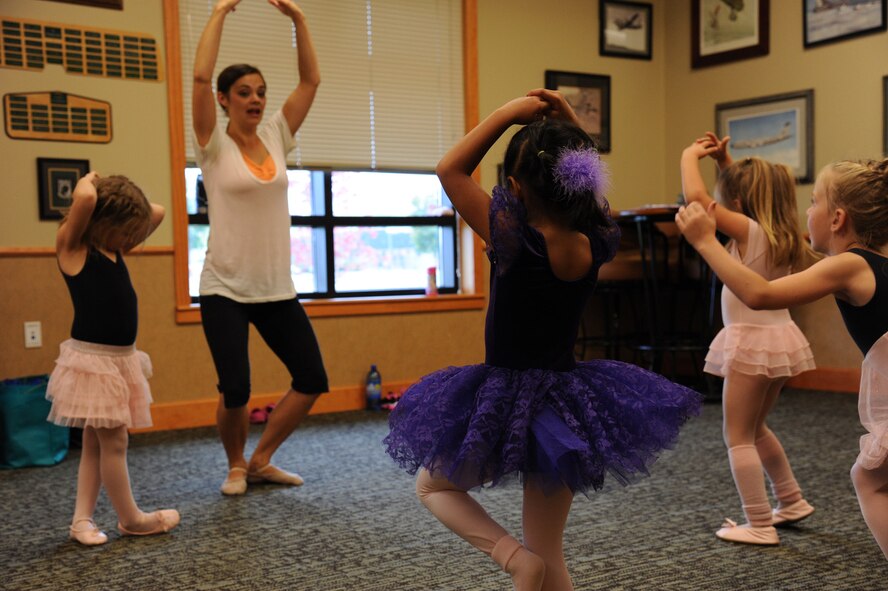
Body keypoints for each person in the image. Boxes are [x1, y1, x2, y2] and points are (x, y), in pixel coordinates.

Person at [383, 90, 701, 591]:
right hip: (564, 405)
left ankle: (513, 559)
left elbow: (449, 171)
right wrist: (569, 123)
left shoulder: (513, 239)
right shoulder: (594, 241)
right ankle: (530, 562)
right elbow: (592, 193)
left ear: (513, 188)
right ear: (582, 185)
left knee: (432, 484)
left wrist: (508, 114)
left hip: (503, 400)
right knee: (549, 549)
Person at [676, 158, 888, 559]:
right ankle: (787, 499)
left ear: (838, 218)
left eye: (813, 202)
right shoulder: (866, 264)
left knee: (868, 481)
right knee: (868, 477)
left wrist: (704, 241)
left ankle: (759, 522)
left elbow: (759, 294)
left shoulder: (849, 264)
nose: (806, 212)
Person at [192, 0, 327, 496]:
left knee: (311, 377)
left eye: (261, 93)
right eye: (244, 92)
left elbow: (310, 83)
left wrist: (300, 20)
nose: (255, 100)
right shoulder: (212, 144)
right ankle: (234, 464)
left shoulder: (275, 135)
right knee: (237, 388)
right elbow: (200, 78)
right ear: (225, 100)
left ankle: (261, 459)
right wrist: (220, 12)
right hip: (224, 285)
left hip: (275, 287)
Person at [680, 133, 818, 546]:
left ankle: (758, 522)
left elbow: (698, 199)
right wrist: (727, 163)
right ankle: (790, 500)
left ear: (736, 206)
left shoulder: (747, 231)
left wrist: (690, 156)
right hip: (780, 339)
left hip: (751, 345)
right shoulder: (785, 234)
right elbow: (738, 196)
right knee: (756, 428)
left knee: (736, 436)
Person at [47, 172, 178, 545]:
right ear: (103, 223)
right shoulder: (72, 247)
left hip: (120, 359)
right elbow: (86, 200)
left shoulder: (113, 248)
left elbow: (158, 211)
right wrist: (90, 181)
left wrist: (121, 197)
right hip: (95, 362)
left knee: (94, 443)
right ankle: (132, 519)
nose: (132, 240)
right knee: (116, 443)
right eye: (125, 232)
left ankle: (81, 522)